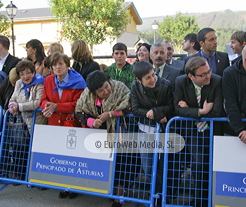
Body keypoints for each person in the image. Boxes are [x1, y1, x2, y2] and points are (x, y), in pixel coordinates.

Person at [75, 70, 131, 207]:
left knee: (120, 164)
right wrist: (92, 122)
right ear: (94, 92)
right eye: (101, 91)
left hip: (119, 133)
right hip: (99, 133)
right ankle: (106, 190)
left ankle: (119, 196)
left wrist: (111, 114)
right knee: (104, 164)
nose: (106, 91)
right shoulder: (86, 95)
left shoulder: (120, 88)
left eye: (106, 86)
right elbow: (79, 111)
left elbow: (130, 107)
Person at [174, 56, 223, 207]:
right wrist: (201, 111)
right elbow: (177, 110)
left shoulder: (217, 81)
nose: (208, 76)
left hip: (212, 131)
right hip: (192, 132)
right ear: (191, 76)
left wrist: (189, 109)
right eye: (203, 74)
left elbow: (217, 111)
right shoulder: (181, 82)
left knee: (212, 165)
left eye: (209, 71)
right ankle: (200, 200)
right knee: (198, 165)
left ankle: (213, 199)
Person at [40, 52, 86, 199]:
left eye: (60, 64)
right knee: (59, 156)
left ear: (67, 65)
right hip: (54, 123)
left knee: (73, 157)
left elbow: (78, 104)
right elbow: (43, 99)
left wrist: (56, 107)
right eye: (54, 65)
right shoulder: (48, 80)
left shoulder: (78, 80)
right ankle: (63, 185)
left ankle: (74, 186)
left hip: (71, 123)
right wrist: (46, 106)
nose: (57, 67)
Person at [131, 60, 174, 198]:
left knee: (162, 166)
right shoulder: (135, 87)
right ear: (139, 80)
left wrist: (156, 112)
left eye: (153, 74)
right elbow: (135, 109)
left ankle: (162, 196)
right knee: (147, 166)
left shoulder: (165, 85)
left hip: (162, 131)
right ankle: (155, 194)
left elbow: (171, 106)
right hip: (144, 130)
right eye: (147, 78)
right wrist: (152, 114)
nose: (152, 79)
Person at [9, 61, 47, 131]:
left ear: (33, 72)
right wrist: (12, 106)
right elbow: (13, 98)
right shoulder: (19, 83)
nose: (25, 76)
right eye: (22, 74)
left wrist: (18, 106)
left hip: (39, 123)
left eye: (28, 72)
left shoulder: (40, 83)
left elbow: (37, 103)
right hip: (24, 122)